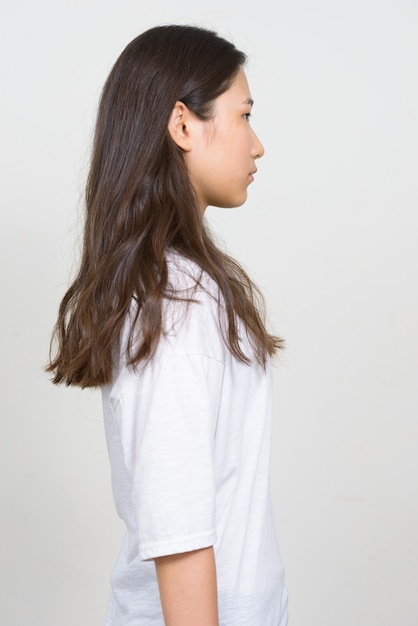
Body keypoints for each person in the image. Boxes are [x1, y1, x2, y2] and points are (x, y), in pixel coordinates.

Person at [47, 24, 288, 626]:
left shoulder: (179, 288)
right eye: (244, 115)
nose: (257, 145)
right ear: (183, 125)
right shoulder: (175, 301)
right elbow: (177, 525)